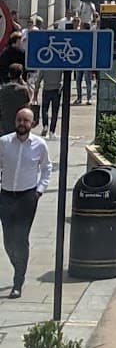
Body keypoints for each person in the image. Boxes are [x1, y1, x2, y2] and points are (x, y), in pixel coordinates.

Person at [0, 106, 52, 298]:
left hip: (27, 197)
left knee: (21, 238)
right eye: (19, 120)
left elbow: (46, 168)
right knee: (8, 240)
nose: (22, 123)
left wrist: (39, 190)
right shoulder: (4, 142)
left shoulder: (39, 145)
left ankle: (18, 280)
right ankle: (17, 265)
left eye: (25, 121)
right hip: (6, 196)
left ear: (33, 123)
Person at [0, 66, 32, 136]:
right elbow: (29, 102)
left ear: (9, 74)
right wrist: (25, 84)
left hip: (4, 126)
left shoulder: (2, 90)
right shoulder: (23, 90)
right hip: (20, 125)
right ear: (20, 75)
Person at [34, 66, 63, 137]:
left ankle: (45, 125)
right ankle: (52, 131)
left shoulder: (45, 66)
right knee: (55, 111)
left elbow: (38, 80)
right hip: (56, 89)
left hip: (46, 89)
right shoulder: (59, 66)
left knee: (44, 109)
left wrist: (35, 95)